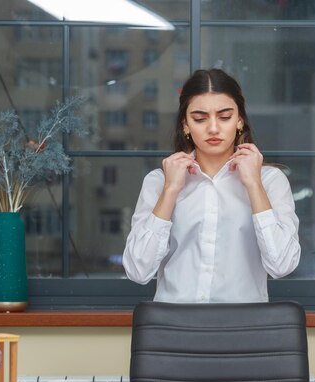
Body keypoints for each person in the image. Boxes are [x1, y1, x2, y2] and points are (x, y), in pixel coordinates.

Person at [122, 68, 301, 302]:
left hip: (244, 328)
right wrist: (170, 190)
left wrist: (254, 185)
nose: (213, 128)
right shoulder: (159, 182)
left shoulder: (270, 181)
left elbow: (282, 265)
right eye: (200, 118)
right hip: (174, 328)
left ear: (239, 121)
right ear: (185, 124)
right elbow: (138, 270)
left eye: (225, 117)